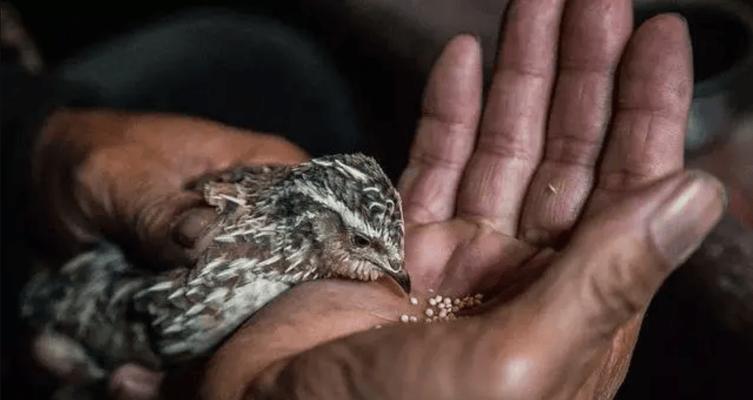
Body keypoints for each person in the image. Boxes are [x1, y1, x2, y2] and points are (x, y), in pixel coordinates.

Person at [2, 0, 726, 399]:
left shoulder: (303, 242)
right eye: (364, 247)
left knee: (261, 59)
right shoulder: (215, 245)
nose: (396, 272)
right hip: (62, 289)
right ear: (316, 225)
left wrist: (36, 124)